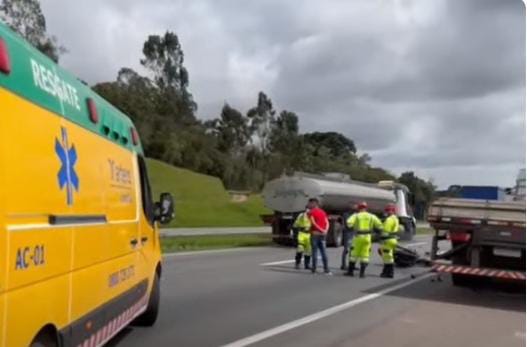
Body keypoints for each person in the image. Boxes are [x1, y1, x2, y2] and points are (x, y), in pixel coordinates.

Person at [346, 201, 383, 278]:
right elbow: (379, 225)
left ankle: (350, 272)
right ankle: (362, 274)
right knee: (365, 255)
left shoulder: (356, 215)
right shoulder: (371, 216)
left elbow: (349, 223)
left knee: (354, 254)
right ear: (366, 208)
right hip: (367, 237)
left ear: (359, 208)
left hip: (358, 237)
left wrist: (353, 227)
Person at [307, 198, 331, 274]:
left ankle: (314, 269)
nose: (309, 205)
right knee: (324, 252)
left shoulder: (311, 212)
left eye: (310, 203)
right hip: (323, 234)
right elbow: (327, 222)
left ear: (314, 204)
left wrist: (320, 230)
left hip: (315, 234)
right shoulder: (323, 212)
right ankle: (326, 269)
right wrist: (325, 230)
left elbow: (313, 223)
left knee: (314, 252)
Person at [379, 203, 399, 278]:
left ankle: (388, 273)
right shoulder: (395, 218)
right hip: (393, 239)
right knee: (389, 256)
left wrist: (381, 237)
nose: (387, 212)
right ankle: (386, 272)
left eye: (387, 211)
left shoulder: (389, 219)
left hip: (388, 240)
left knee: (387, 257)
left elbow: (385, 230)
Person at [340, 203, 357, 270]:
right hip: (348, 233)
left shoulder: (355, 215)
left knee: (352, 250)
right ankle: (343, 265)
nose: (355, 209)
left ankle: (351, 265)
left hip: (353, 233)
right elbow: (348, 224)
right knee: (346, 250)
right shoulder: (346, 214)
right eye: (354, 208)